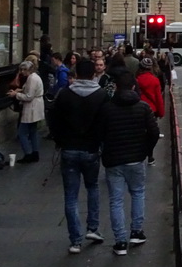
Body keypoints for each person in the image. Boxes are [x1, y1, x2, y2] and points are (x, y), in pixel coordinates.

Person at [48, 58, 109, 254]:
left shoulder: (65, 94)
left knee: (71, 196)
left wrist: (60, 140)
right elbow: (105, 123)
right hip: (91, 150)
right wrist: (100, 142)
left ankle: (75, 240)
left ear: (76, 73)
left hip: (69, 149)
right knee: (92, 188)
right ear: (93, 74)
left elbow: (53, 120)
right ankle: (93, 228)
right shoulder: (101, 95)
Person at [100, 70, 160, 256]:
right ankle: (136, 232)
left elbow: (99, 133)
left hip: (113, 160)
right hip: (135, 159)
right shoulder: (142, 107)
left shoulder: (107, 108)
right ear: (134, 87)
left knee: (116, 201)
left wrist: (105, 150)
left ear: (116, 87)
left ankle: (120, 242)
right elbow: (154, 132)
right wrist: (145, 151)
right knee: (138, 194)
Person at [8, 60, 45, 163]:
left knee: (22, 133)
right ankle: (35, 152)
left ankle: (28, 154)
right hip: (36, 106)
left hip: (32, 107)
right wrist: (18, 91)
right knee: (33, 131)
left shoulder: (32, 78)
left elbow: (29, 96)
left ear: (29, 70)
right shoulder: (34, 77)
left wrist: (15, 95)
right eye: (21, 69)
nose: (22, 72)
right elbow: (28, 90)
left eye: (24, 69)